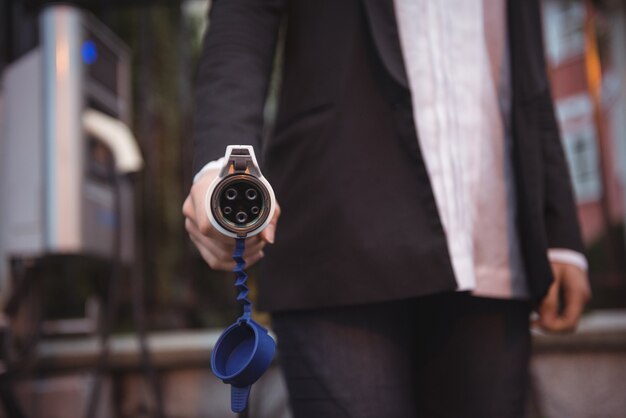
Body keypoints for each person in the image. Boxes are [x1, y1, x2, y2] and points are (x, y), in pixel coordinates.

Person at [182, 0, 591, 416]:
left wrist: (558, 231)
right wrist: (223, 168)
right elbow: (245, 16)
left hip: (497, 242)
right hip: (338, 237)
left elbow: (530, 66)